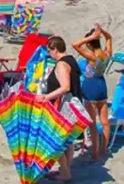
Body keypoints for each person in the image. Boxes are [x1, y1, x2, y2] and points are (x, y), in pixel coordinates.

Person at [40, 36, 83, 182]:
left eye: (49, 50)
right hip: (72, 107)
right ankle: (66, 169)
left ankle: (65, 173)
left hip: (64, 108)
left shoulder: (62, 64)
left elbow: (65, 87)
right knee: (67, 141)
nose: (49, 54)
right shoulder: (71, 60)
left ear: (55, 49)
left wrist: (46, 97)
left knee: (54, 141)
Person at [73, 25, 113, 160]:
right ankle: (103, 150)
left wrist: (91, 37)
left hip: (90, 88)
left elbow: (75, 45)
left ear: (90, 44)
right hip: (102, 86)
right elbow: (109, 37)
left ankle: (95, 153)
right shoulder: (107, 54)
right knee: (105, 122)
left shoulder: (91, 56)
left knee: (92, 123)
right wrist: (102, 32)